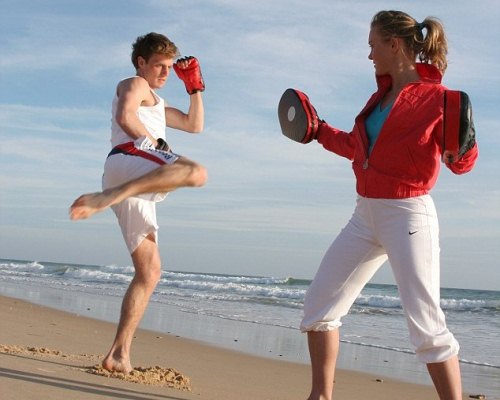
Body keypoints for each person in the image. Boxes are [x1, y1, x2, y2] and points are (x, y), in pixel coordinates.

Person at [299, 10, 478, 400]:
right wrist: (318, 132)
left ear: (393, 45)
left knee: (426, 325)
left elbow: (461, 163)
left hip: (408, 215)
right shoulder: (378, 98)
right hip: (365, 214)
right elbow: (356, 149)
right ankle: (321, 397)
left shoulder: (440, 100)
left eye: (372, 45)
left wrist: (462, 144)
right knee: (319, 309)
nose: (369, 55)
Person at [69, 32, 208, 373]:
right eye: (158, 65)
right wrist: (156, 145)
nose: (164, 73)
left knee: (150, 271)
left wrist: (195, 89)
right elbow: (125, 115)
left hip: (137, 177)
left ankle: (119, 354)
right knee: (196, 172)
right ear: (141, 63)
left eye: (169, 67)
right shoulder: (133, 83)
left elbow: (195, 125)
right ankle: (110, 196)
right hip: (129, 158)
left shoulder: (159, 105)